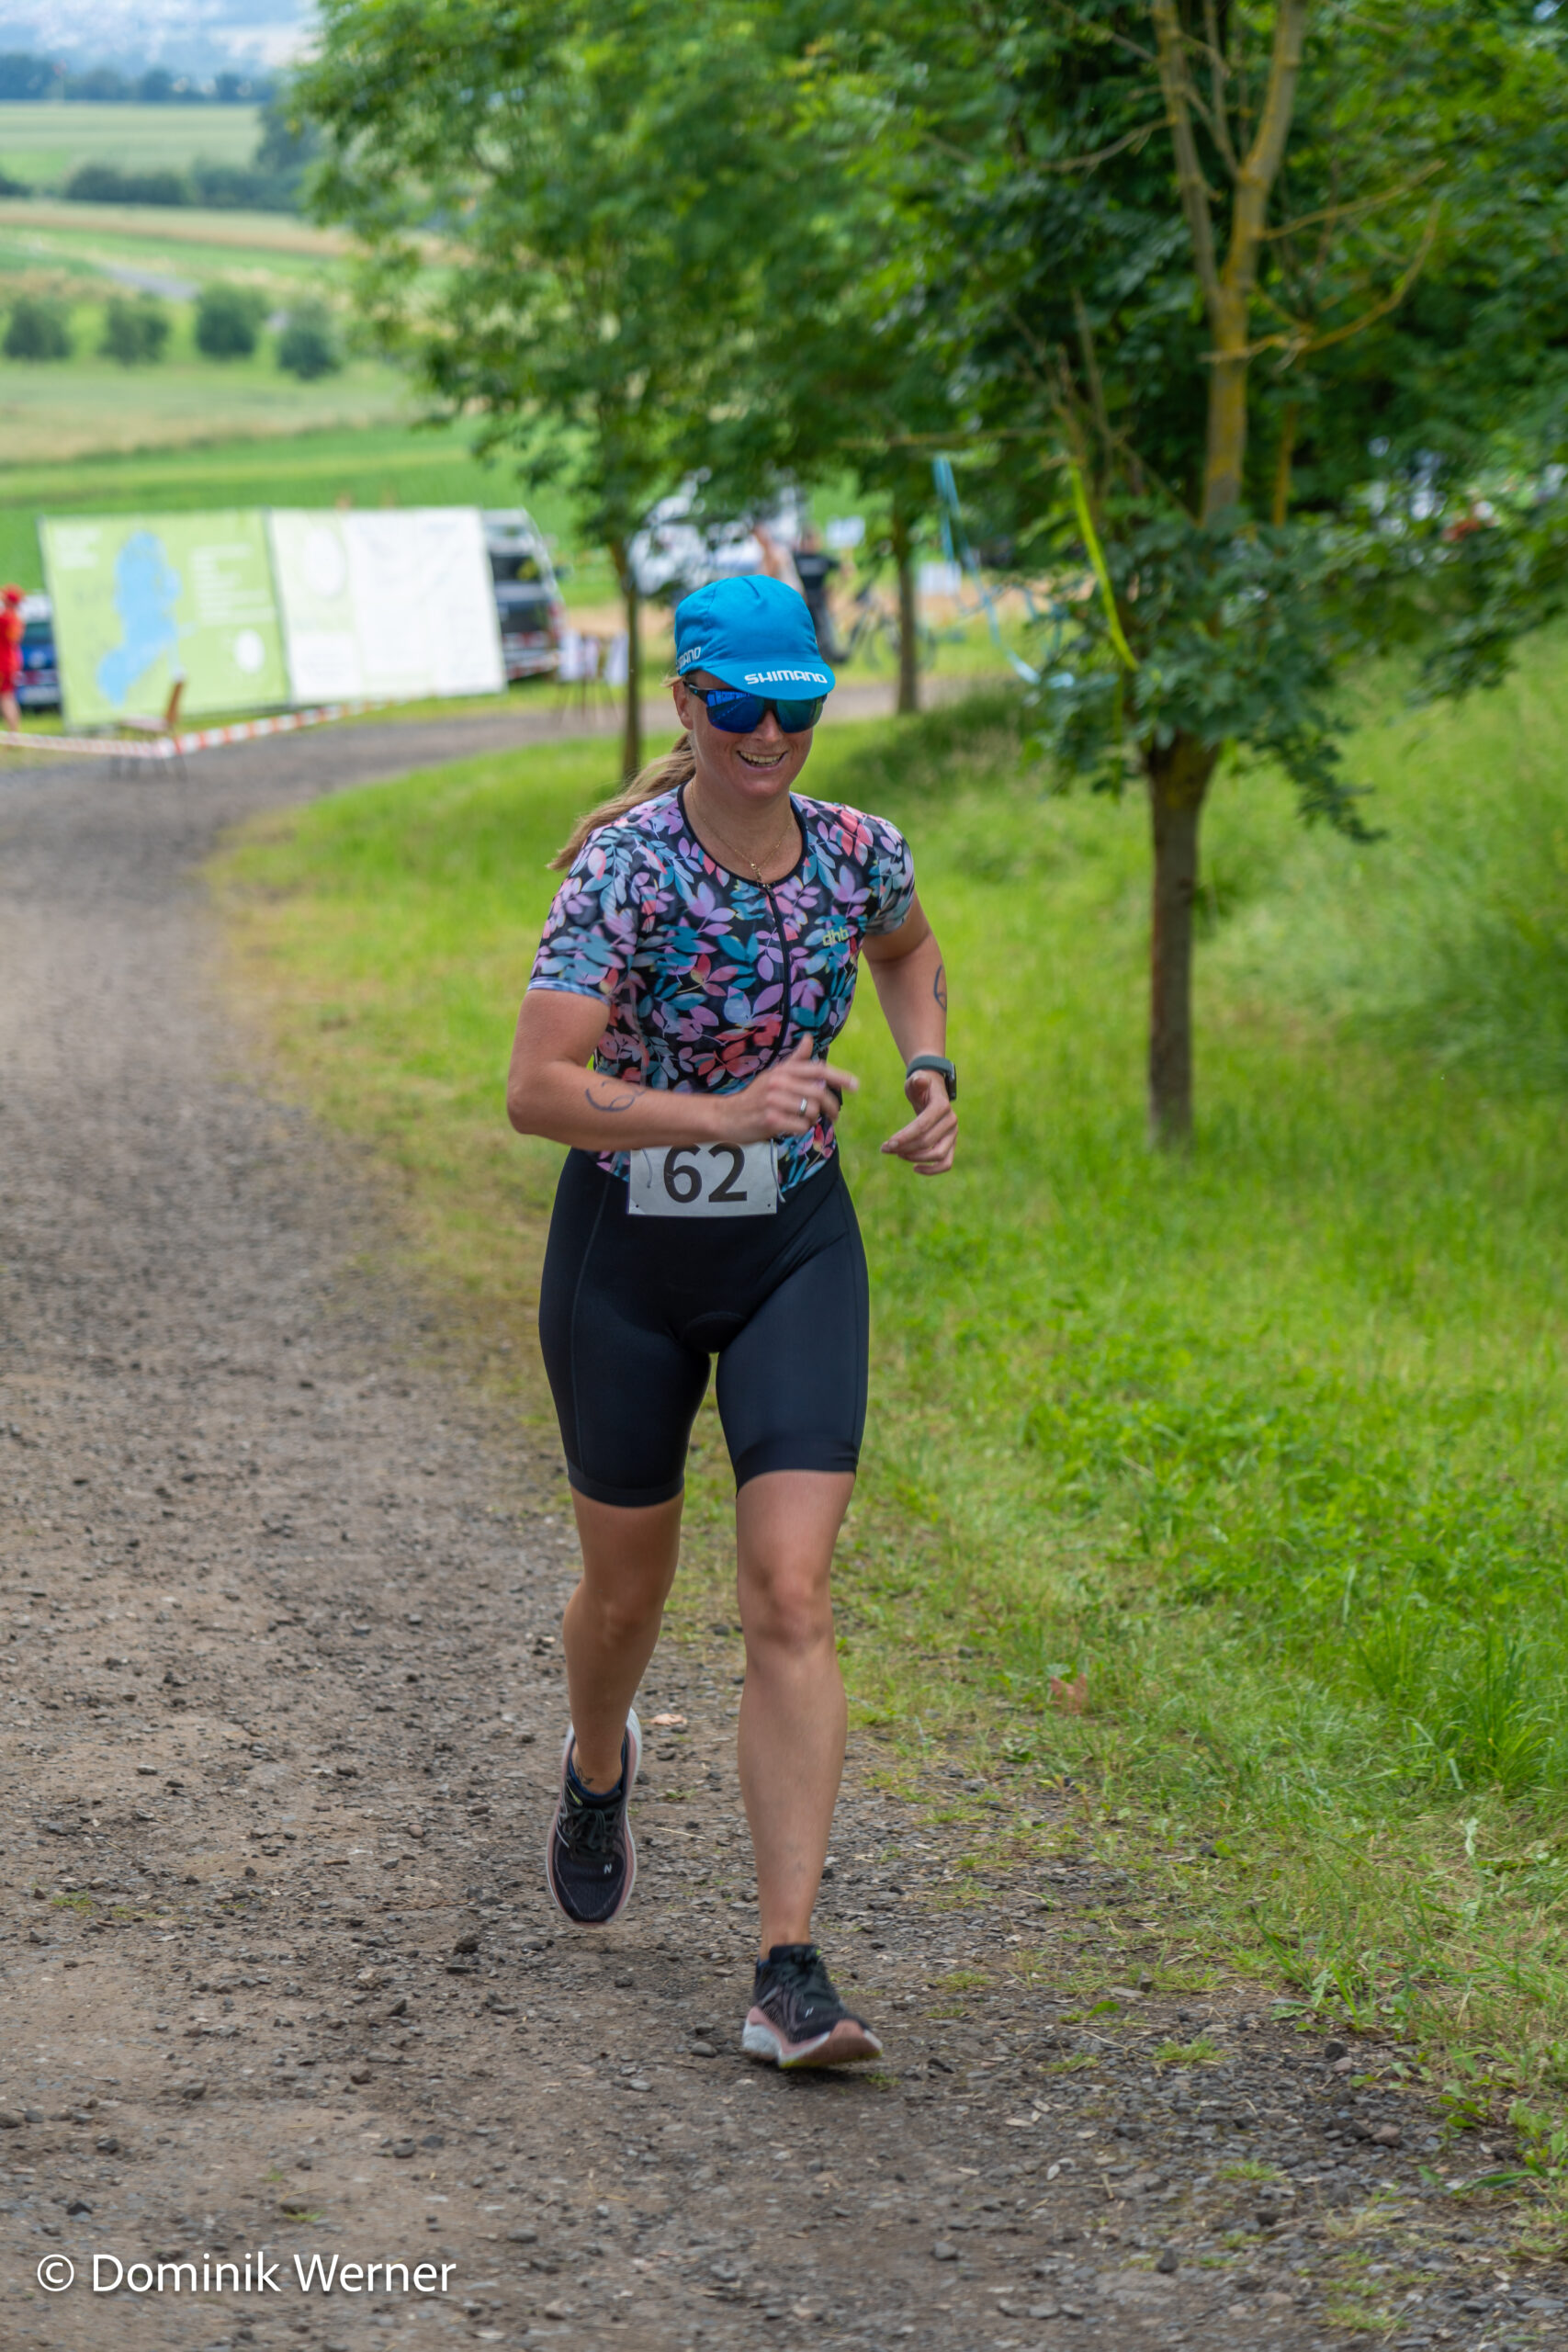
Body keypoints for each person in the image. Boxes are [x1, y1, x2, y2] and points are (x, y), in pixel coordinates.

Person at [506, 571, 958, 2069]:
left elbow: (904, 950)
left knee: (790, 1592)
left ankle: (787, 1971)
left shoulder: (858, 852)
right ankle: (596, 1762)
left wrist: (928, 1068)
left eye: (797, 708)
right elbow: (536, 1090)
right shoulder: (623, 871)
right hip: (624, 1259)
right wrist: (724, 1111)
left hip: (791, 1249)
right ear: (688, 703)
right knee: (625, 1597)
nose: (770, 734)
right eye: (740, 708)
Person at [792, 528, 843, 662]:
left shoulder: (822, 559)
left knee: (824, 628)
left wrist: (833, 588)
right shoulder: (797, 559)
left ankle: (828, 653)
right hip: (804, 600)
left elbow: (844, 569)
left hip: (819, 600)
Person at [0, 586, 26, 732]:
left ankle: (13, 734)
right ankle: (14, 733)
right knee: (9, 697)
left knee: (5, 698)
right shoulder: (17, 619)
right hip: (12, 661)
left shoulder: (5, 618)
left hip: (2, 663)